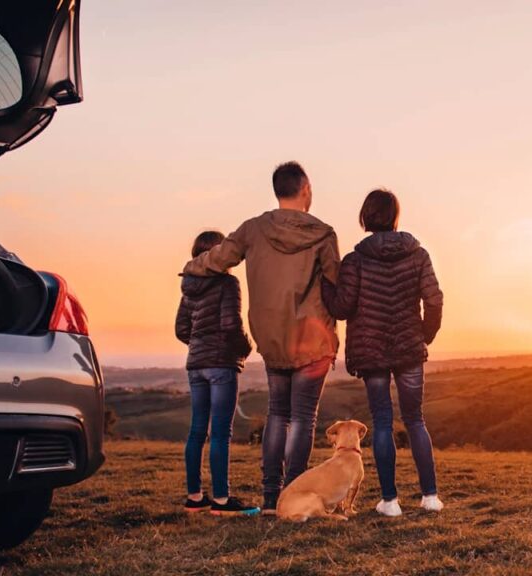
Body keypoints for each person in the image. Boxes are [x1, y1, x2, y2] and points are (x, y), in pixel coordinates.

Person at [183, 162, 340, 515]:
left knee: (278, 414)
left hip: (271, 338)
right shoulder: (323, 234)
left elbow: (218, 259)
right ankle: (293, 494)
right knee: (302, 418)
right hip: (312, 341)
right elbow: (336, 286)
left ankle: (271, 498)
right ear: (306, 189)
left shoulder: (253, 230)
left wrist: (190, 269)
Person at [321, 189, 444, 516]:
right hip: (409, 350)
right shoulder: (418, 255)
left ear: (366, 217)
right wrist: (423, 336)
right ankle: (430, 497)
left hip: (372, 351)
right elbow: (434, 300)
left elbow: (343, 307)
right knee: (416, 420)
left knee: (382, 423)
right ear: (395, 216)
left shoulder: (355, 261)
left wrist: (325, 284)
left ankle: (389, 502)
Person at [175, 230, 258, 515]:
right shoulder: (228, 284)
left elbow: (181, 330)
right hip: (221, 363)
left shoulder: (188, 287)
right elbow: (230, 325)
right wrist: (245, 349)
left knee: (197, 430)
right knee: (221, 433)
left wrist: (200, 346)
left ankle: (194, 497)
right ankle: (222, 501)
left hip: (196, 364)